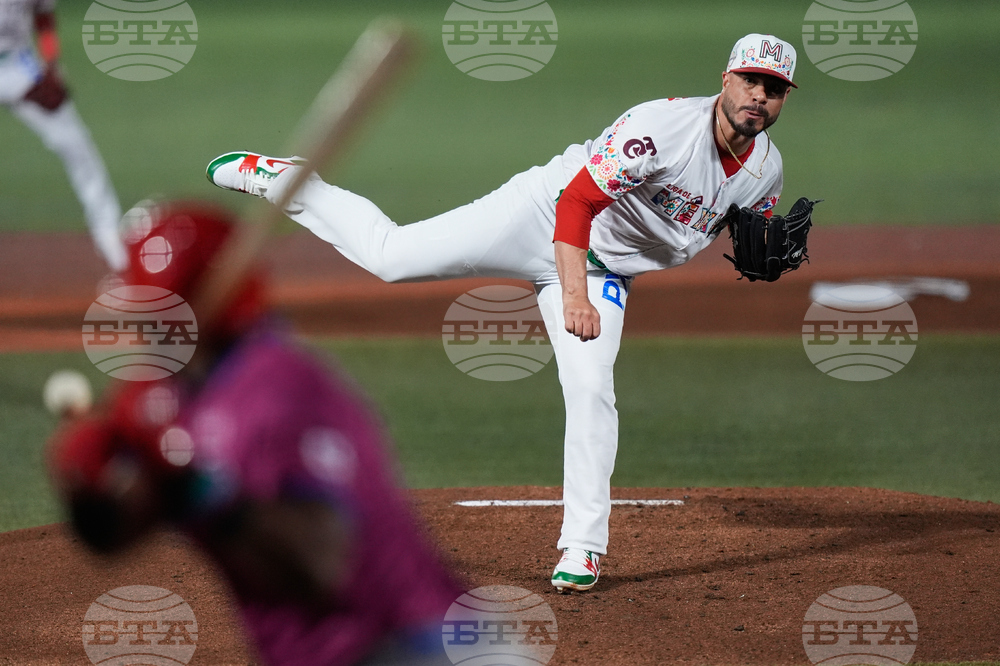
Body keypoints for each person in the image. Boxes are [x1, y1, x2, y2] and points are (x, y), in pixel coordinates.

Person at [206, 33, 799, 593]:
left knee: (591, 385)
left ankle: (582, 547)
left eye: (772, 89)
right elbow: (578, 202)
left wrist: (761, 251)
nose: (758, 96)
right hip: (545, 217)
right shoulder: (661, 129)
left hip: (605, 270)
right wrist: (572, 297)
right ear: (726, 78)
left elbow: (747, 230)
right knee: (392, 258)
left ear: (783, 100)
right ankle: (287, 180)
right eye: (750, 80)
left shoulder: (764, 170)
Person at [47, 202, 461, 665]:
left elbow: (323, 562)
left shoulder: (275, 386)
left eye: (154, 305)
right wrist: (93, 486)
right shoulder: (180, 396)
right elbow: (117, 535)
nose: (143, 326)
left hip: (409, 647)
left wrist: (196, 487)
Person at [0, 0, 126, 270]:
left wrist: (51, 68)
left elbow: (44, 17)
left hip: (18, 64)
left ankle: (111, 238)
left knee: (76, 145)